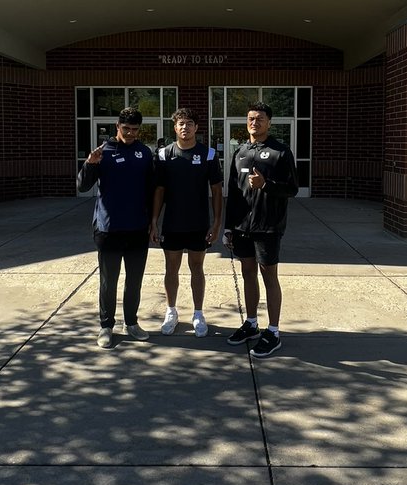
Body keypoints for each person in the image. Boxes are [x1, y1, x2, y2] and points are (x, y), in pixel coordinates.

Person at [223, 102, 299, 357]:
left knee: (269, 277)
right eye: (251, 118)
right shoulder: (241, 151)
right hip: (242, 226)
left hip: (268, 226)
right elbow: (233, 193)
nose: (254, 122)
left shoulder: (280, 152)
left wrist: (266, 185)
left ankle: (274, 331)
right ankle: (252, 324)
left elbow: (292, 188)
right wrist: (228, 227)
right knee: (247, 273)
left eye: (260, 119)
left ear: (269, 123)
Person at [77, 107, 154, 349]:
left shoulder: (144, 152)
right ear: (117, 127)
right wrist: (90, 164)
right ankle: (106, 326)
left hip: (138, 228)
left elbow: (152, 191)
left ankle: (131, 322)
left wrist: (153, 222)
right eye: (126, 128)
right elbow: (82, 186)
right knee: (109, 281)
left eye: (135, 129)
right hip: (108, 229)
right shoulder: (103, 152)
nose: (130, 133)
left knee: (134, 280)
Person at [150, 107, 223, 337]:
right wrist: (154, 221)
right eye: (181, 123)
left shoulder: (209, 154)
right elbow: (159, 190)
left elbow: (217, 191)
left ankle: (198, 313)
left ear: (196, 127)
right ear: (174, 127)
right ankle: (171, 311)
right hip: (172, 223)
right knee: (171, 268)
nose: (185, 127)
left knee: (197, 268)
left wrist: (216, 223)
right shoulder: (164, 155)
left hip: (198, 224)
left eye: (189, 123)